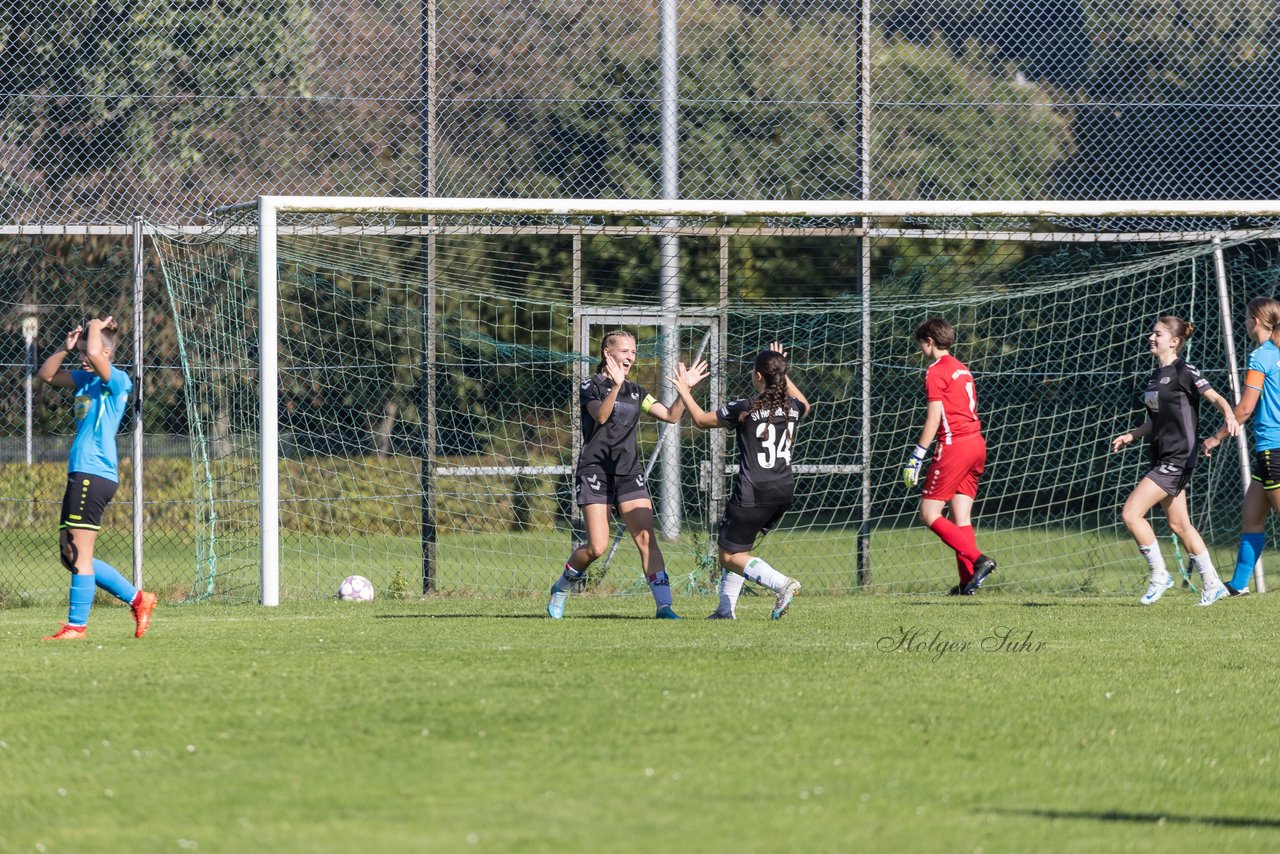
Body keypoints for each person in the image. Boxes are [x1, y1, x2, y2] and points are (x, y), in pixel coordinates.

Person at [546, 330, 688, 619]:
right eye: (625, 351)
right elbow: (601, 416)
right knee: (597, 547)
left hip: (629, 475)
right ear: (607, 354)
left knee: (646, 538)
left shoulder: (637, 392)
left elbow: (671, 416)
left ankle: (664, 606)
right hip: (596, 472)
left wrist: (685, 391)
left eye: (633, 352)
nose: (631, 357)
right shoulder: (590, 386)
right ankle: (561, 587)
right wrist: (615, 387)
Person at [36, 316, 157, 639]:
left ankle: (77, 626)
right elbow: (46, 375)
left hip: (95, 473)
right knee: (70, 554)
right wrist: (64, 348)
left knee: (79, 554)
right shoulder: (85, 382)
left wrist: (93, 325)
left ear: (105, 354)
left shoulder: (116, 381)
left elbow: (94, 354)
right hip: (82, 472)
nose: (84, 359)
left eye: (90, 353)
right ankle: (139, 599)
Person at [670, 343, 809, 620]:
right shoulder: (792, 407)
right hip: (783, 490)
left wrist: (684, 390)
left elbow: (700, 420)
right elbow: (806, 404)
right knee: (738, 548)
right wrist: (782, 369)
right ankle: (725, 610)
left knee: (729, 557)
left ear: (758, 376)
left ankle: (782, 584)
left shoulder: (746, 407)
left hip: (753, 492)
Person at [1111, 315, 1239, 605]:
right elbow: (1156, 420)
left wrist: (1229, 414)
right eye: (1151, 333)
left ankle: (1159, 575)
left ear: (1174, 341)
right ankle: (1212, 583)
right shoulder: (1155, 377)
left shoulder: (1184, 370)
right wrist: (1131, 435)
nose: (1150, 337)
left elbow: (1216, 397)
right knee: (1180, 525)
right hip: (1162, 455)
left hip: (1179, 456)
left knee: (1131, 514)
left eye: (1157, 333)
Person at [902, 318, 998, 595]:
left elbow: (934, 418)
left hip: (954, 446)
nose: (921, 350)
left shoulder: (935, 371)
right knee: (961, 517)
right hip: (976, 444)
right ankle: (968, 582)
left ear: (929, 341)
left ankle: (980, 560)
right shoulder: (962, 369)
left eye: (920, 344)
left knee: (929, 514)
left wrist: (917, 455)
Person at [1202, 297, 1280, 596]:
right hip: (1269, 450)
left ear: (1256, 321)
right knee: (1252, 516)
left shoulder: (1261, 356)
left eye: (1246, 317)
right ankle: (1236, 586)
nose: (1244, 322)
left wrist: (1215, 438)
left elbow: (1245, 409)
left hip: (1274, 448)